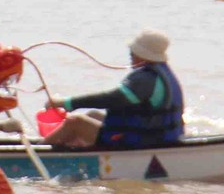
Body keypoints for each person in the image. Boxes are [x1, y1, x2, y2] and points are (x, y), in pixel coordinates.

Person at [43, 30, 186, 150]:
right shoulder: (162, 72)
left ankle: (37, 153)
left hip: (145, 141)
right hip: (158, 136)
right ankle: (72, 150)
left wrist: (66, 103)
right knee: (93, 115)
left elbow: (112, 99)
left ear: (145, 55)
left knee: (75, 122)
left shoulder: (145, 79)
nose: (131, 54)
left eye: (133, 51)